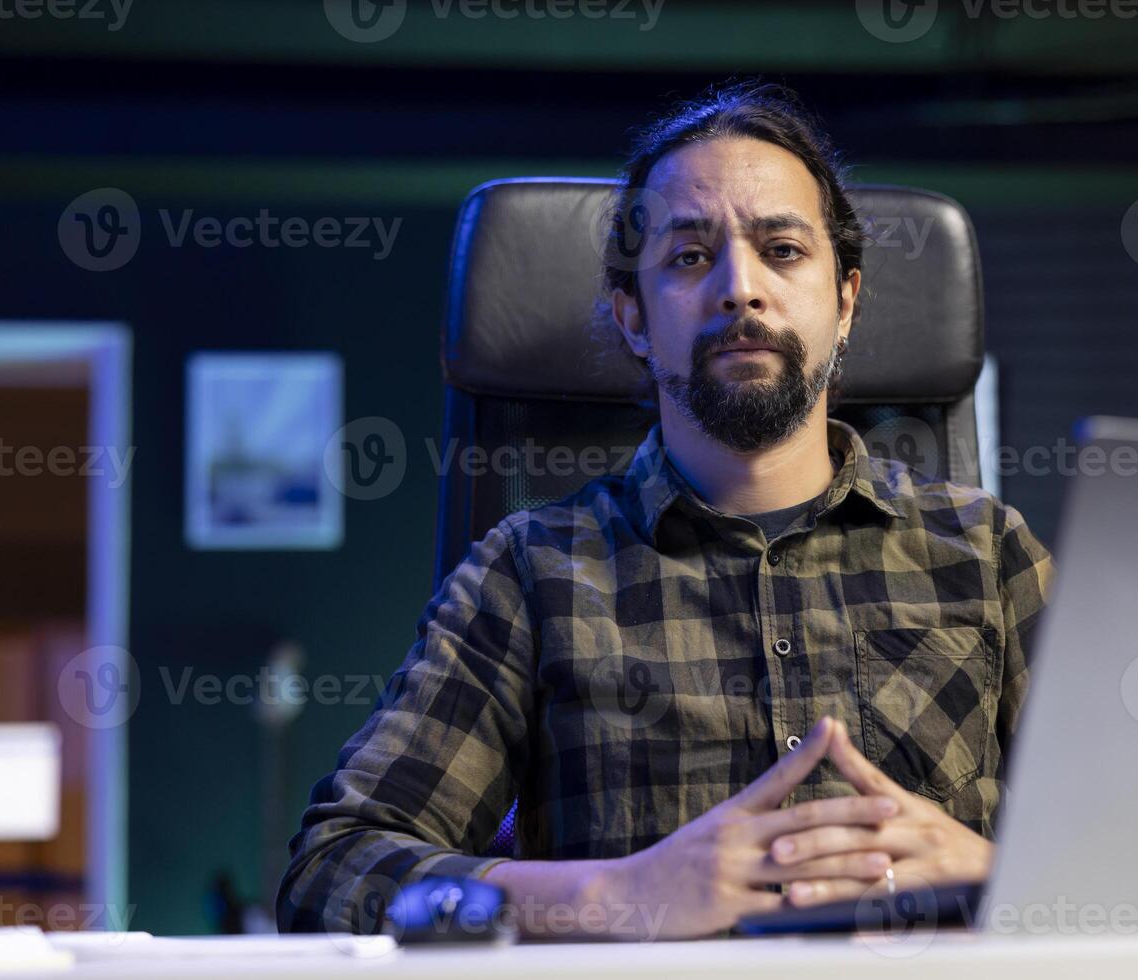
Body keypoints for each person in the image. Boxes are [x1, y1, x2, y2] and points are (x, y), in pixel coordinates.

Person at [278, 80, 1053, 941]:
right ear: (633, 319)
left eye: (784, 250)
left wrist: (998, 871)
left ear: (845, 304)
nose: (740, 289)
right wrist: (619, 893)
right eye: (689, 257)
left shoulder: (986, 552)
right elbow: (334, 868)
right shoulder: (530, 573)